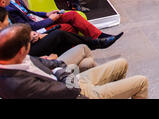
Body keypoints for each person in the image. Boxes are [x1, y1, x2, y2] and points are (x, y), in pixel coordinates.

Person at [0, 24, 148, 99]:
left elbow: (54, 64)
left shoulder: (17, 58)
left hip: (71, 80)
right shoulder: (17, 84)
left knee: (122, 63)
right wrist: (61, 73)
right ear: (21, 49)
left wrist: (60, 71)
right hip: (78, 93)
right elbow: (70, 89)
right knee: (142, 81)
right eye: (28, 43)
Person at [0, 0, 119, 57]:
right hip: (35, 31)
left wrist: (47, 14)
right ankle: (94, 43)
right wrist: (48, 21)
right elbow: (27, 27)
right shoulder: (7, 11)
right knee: (67, 29)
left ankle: (99, 36)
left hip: (38, 25)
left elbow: (30, 13)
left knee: (72, 15)